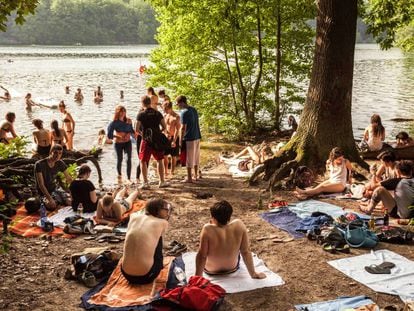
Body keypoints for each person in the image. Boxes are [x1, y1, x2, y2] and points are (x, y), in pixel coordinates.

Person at [195, 200, 266, 279]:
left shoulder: (207, 229)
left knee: (201, 252)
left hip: (211, 270)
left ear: (213, 217)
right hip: (232, 268)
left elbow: (202, 255)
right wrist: (253, 273)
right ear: (229, 215)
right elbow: (245, 251)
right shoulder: (239, 225)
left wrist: (197, 278)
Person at [121, 198, 170, 284]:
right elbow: (160, 246)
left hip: (125, 273)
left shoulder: (133, 216)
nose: (168, 212)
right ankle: (157, 266)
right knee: (157, 240)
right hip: (145, 276)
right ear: (157, 210)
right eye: (166, 209)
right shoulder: (163, 222)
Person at [136, 95, 169, 189]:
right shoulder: (157, 113)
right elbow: (164, 127)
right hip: (157, 140)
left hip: (146, 140)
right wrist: (158, 132)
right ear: (150, 103)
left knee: (143, 161)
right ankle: (162, 181)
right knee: (159, 160)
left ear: (142, 103)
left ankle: (146, 183)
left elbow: (136, 129)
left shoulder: (141, 114)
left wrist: (143, 135)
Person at [34, 144, 72, 211]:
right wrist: (49, 198)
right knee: (51, 206)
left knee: (70, 202)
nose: (57, 155)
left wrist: (73, 193)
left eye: (60, 153)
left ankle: (58, 201)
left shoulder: (60, 163)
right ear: (51, 152)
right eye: (55, 153)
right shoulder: (39, 164)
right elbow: (41, 184)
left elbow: (69, 179)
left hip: (55, 190)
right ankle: (54, 201)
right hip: (43, 192)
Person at [177, 95, 202, 183]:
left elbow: (183, 128)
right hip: (197, 135)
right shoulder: (193, 109)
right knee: (196, 157)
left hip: (189, 138)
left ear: (182, 103)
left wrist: (180, 141)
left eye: (178, 104)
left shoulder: (184, 112)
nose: (178, 106)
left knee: (189, 158)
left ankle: (189, 178)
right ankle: (196, 175)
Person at [107, 105, 135, 183]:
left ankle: (128, 178)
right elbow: (109, 135)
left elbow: (131, 131)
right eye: (121, 111)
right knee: (120, 159)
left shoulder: (129, 120)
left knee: (128, 159)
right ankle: (119, 175)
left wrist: (130, 135)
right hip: (118, 143)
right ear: (117, 112)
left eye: (124, 111)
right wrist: (118, 136)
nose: (123, 113)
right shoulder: (114, 123)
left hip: (127, 142)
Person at [163, 99, 181, 176]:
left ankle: (172, 171)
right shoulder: (165, 115)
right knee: (164, 155)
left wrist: (174, 140)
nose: (164, 110)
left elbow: (177, 130)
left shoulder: (176, 117)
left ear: (169, 108)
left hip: (174, 137)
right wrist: (165, 133)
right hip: (166, 137)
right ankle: (165, 171)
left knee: (173, 156)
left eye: (165, 109)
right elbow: (164, 127)